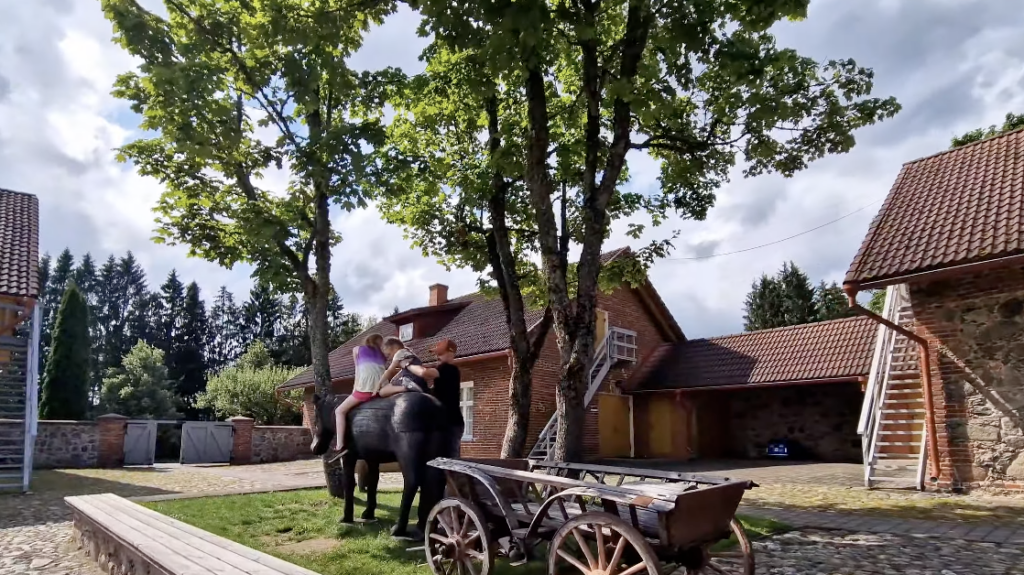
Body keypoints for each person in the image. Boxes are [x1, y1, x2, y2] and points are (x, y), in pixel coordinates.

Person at [333, 334, 387, 455]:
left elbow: (358, 372)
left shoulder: (356, 349)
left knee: (339, 411)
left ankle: (340, 444)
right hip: (382, 389)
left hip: (365, 388)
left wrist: (354, 390)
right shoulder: (383, 356)